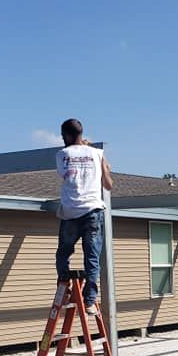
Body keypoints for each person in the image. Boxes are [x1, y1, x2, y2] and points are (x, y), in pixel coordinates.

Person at [55, 118, 113, 314]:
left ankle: (63, 291)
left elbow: (66, 175)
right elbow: (108, 185)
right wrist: (96, 155)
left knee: (64, 252)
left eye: (63, 136)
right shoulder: (97, 154)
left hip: (71, 212)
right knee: (92, 257)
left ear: (68, 135)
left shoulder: (62, 154)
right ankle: (89, 302)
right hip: (93, 212)